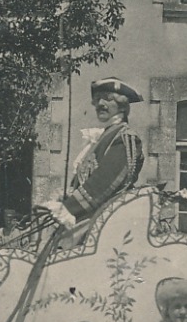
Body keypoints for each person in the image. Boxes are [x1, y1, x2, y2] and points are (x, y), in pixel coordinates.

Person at [39, 78, 146, 232]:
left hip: (104, 221)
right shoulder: (105, 136)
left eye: (108, 99)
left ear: (122, 105)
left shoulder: (124, 137)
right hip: (88, 216)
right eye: (97, 99)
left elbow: (104, 181)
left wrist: (69, 208)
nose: (100, 104)